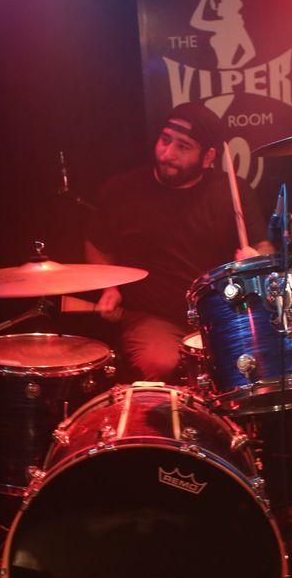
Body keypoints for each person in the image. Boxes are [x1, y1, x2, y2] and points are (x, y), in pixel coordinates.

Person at [85, 102, 273, 382]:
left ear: (208, 157)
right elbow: (98, 246)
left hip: (220, 311)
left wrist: (254, 259)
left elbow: (263, 245)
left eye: (183, 147)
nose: (167, 153)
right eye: (165, 140)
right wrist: (109, 287)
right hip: (152, 316)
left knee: (258, 361)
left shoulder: (231, 190)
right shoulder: (121, 191)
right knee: (162, 363)